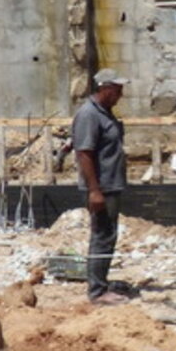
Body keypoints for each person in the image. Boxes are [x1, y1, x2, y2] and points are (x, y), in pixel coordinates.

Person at [72, 69, 130, 305]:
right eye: (117, 90)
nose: (121, 94)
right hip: (101, 187)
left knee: (108, 234)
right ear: (105, 89)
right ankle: (97, 291)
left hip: (110, 184)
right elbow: (84, 153)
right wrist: (95, 190)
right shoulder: (89, 114)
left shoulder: (104, 113)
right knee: (102, 235)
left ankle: (101, 282)